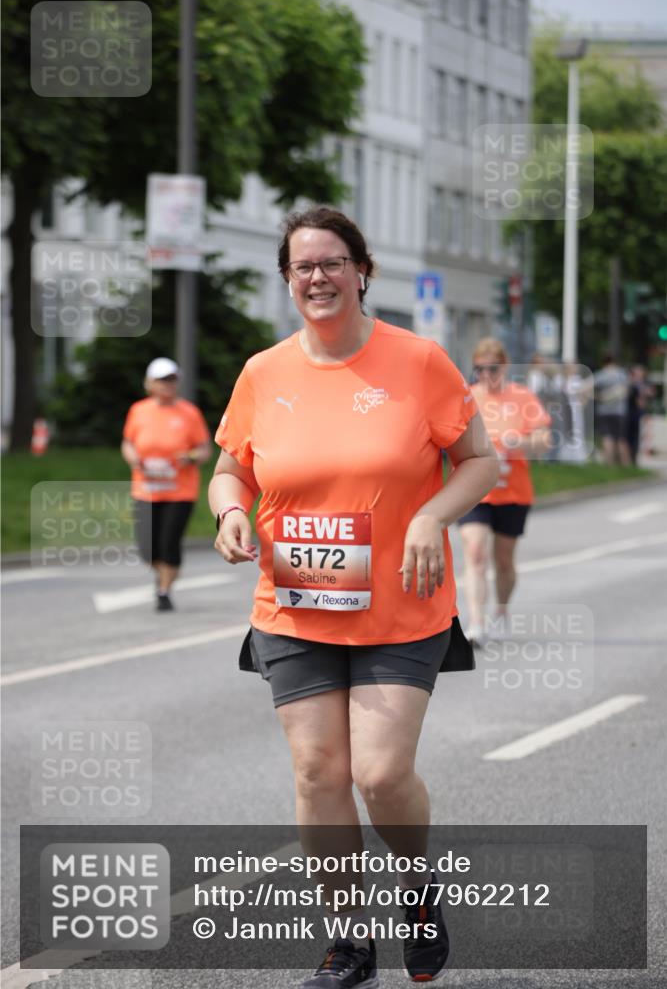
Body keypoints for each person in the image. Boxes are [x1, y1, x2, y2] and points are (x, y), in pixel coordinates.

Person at [209, 207, 499, 988]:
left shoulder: (418, 360)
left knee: (377, 774)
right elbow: (231, 467)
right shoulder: (263, 372)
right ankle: (348, 945)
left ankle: (415, 887)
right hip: (295, 606)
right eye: (302, 266)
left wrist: (432, 515)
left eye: (332, 262)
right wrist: (230, 511)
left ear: (361, 270)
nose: (317, 278)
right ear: (286, 280)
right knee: (317, 772)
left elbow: (480, 461)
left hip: (400, 606)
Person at [458, 338, 552, 646]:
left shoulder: (522, 397)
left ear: (505, 366)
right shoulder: (468, 397)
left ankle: (501, 612)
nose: (487, 375)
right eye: (480, 369)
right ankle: (476, 623)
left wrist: (518, 442)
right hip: (475, 490)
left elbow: (544, 439)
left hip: (513, 490)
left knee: (504, 561)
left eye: (493, 368)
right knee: (475, 552)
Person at [121, 357, 211, 611]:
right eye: (162, 380)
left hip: (179, 491)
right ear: (149, 383)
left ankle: (164, 589)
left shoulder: (189, 413)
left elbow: (204, 449)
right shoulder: (138, 410)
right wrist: (134, 459)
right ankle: (162, 575)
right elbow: (128, 442)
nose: (168, 384)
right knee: (147, 547)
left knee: (170, 541)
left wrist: (190, 457)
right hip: (146, 489)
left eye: (172, 379)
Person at [593, 355, 631, 466]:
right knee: (621, 439)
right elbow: (627, 390)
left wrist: (599, 397)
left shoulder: (600, 375)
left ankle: (609, 464)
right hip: (619, 411)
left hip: (604, 411)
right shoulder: (621, 374)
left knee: (607, 438)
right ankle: (626, 465)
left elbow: (588, 387)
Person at [626, 364, 653, 465]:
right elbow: (640, 401)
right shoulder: (632, 385)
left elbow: (648, 395)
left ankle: (632, 458)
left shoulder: (641, 384)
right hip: (631, 414)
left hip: (636, 415)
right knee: (630, 438)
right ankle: (629, 459)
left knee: (634, 438)